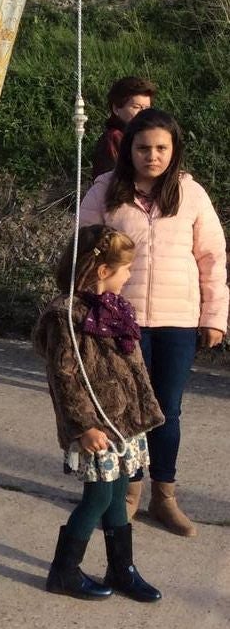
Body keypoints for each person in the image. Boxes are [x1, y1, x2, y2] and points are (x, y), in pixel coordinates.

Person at [80, 109, 228, 534]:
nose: (153, 156)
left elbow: (212, 258)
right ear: (129, 150)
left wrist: (214, 316)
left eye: (161, 147)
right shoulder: (106, 191)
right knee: (125, 410)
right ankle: (128, 493)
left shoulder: (191, 194)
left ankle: (165, 495)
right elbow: (85, 251)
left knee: (167, 411)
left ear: (174, 149)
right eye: (143, 148)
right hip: (119, 320)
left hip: (178, 320)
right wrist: (88, 307)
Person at [33, 226, 164, 602]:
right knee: (99, 497)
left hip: (125, 423)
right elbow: (65, 377)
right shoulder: (67, 317)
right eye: (125, 269)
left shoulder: (116, 309)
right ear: (103, 270)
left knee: (120, 492)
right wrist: (82, 426)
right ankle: (64, 570)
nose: (129, 276)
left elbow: (131, 365)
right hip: (97, 428)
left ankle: (121, 568)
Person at [91, 76, 157, 178]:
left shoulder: (150, 137)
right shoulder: (113, 138)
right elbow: (110, 182)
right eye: (136, 107)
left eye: (147, 108)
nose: (143, 112)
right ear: (116, 109)